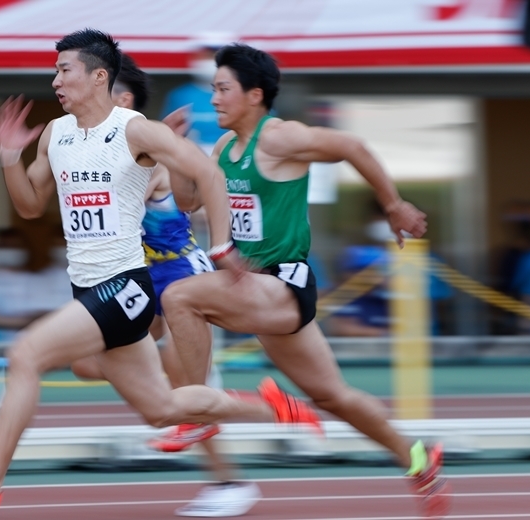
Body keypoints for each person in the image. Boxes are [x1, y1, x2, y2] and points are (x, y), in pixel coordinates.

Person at [0, 29, 320, 516]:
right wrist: (7, 156)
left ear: (99, 76)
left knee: (25, 354)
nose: (56, 81)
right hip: (86, 287)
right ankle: (277, 408)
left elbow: (209, 174)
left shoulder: (137, 131)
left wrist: (220, 247)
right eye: (56, 71)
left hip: (125, 287)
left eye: (65, 70)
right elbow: (27, 206)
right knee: (163, 410)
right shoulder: (56, 134)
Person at [159, 43, 450, 517]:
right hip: (256, 289)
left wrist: (393, 204)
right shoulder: (223, 147)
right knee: (331, 395)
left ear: (254, 94)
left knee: (180, 298)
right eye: (212, 89)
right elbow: (190, 202)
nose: (213, 99)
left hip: (282, 284)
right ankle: (416, 456)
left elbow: (352, 146)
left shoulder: (279, 138)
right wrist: (175, 155)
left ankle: (196, 414)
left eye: (222, 89)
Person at [73, 53, 262, 517]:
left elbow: (184, 190)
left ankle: (230, 480)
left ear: (124, 101)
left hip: (181, 280)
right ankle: (203, 400)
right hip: (140, 280)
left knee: (182, 388)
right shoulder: (97, 150)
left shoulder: (147, 151)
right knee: (82, 362)